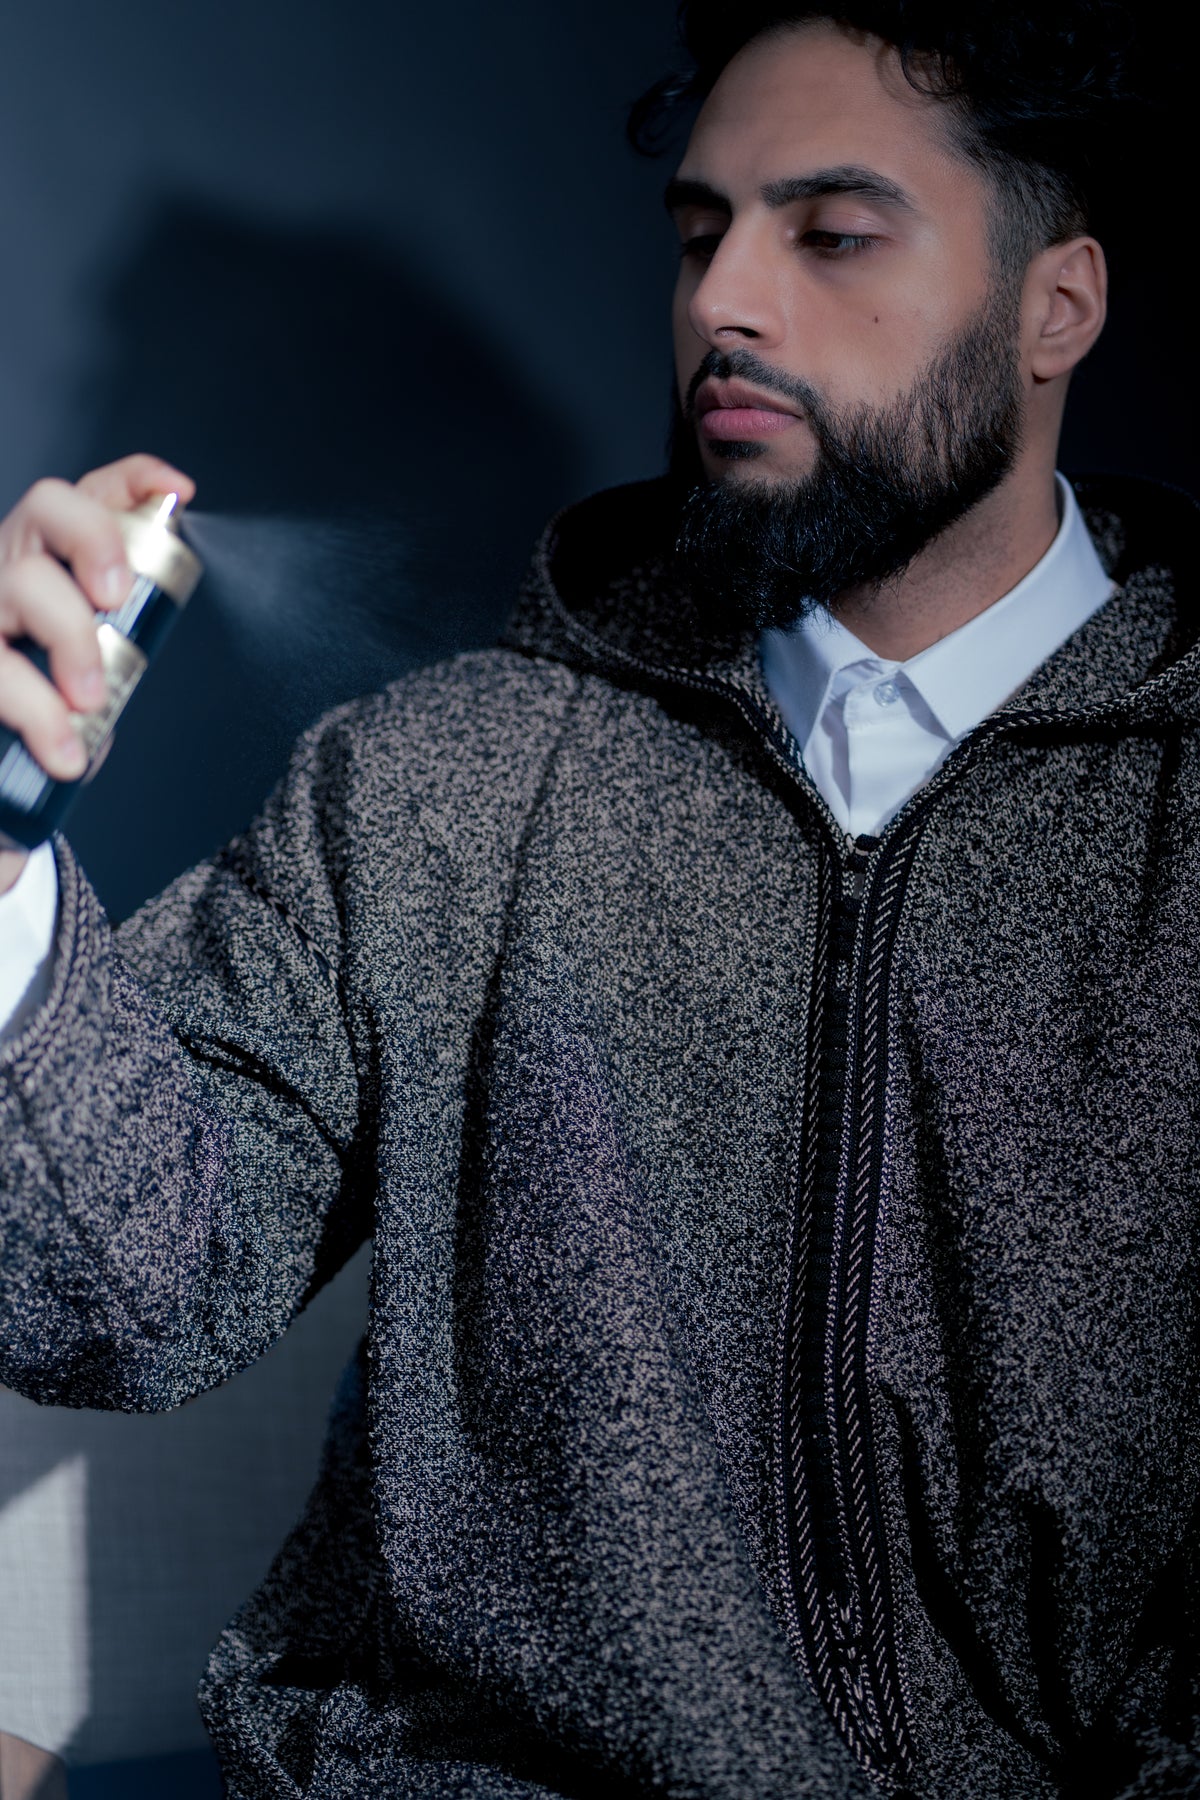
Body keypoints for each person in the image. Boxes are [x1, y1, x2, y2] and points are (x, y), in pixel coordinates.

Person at [0, 2, 1194, 1794]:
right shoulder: (440, 785)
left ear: (1057, 307)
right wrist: (2, 864)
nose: (726, 303)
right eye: (701, 234)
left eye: (832, 234)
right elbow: (122, 1305)